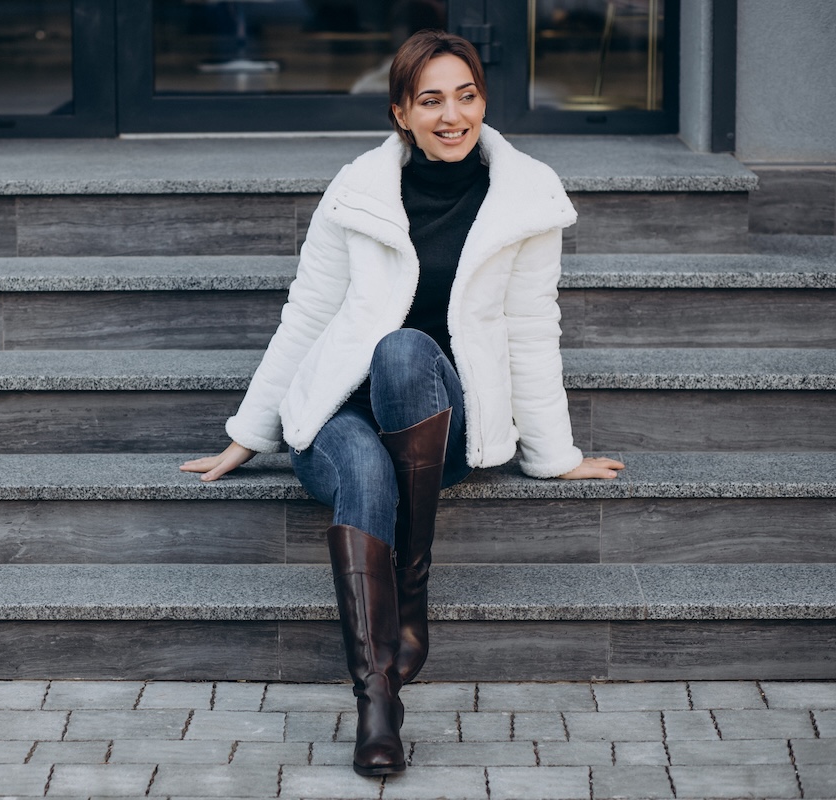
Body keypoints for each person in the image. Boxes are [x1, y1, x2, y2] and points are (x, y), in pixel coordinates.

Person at [181, 30, 625, 777]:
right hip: (339, 418)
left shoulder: (523, 199)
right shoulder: (357, 192)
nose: (453, 116)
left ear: (482, 101)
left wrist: (556, 455)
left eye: (467, 96)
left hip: (435, 425)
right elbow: (308, 315)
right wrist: (250, 435)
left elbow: (529, 331)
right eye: (431, 101)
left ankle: (408, 585)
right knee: (360, 459)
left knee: (404, 350)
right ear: (400, 112)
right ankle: (378, 695)